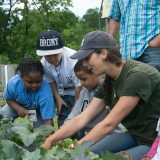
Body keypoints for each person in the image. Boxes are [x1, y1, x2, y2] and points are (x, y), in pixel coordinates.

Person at [41, 31, 160, 160]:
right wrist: (50, 140)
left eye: (87, 58)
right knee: (87, 154)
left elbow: (109, 124)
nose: (85, 64)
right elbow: (82, 118)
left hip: (154, 141)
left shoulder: (136, 75)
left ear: (104, 53)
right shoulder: (110, 80)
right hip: (135, 135)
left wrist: (75, 148)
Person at [65, 59, 123, 139]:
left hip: (109, 134)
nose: (81, 83)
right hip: (87, 133)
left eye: (84, 79)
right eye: (79, 80)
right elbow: (74, 115)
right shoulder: (84, 92)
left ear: (95, 73)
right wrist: (62, 131)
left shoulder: (108, 90)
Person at [36, 30, 81, 127]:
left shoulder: (73, 60)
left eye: (55, 55)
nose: (52, 59)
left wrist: (76, 106)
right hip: (62, 92)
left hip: (78, 91)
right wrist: (58, 98)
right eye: (48, 56)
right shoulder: (43, 64)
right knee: (62, 122)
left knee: (76, 118)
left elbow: (79, 85)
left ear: (61, 50)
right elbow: (50, 81)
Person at [0, 59, 56, 127]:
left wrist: (48, 133)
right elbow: (9, 99)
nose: (34, 85)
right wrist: (18, 108)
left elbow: (48, 120)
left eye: (38, 82)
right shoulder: (13, 83)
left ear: (42, 77)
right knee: (2, 117)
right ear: (21, 77)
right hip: (18, 104)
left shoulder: (46, 92)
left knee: (42, 130)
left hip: (39, 109)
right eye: (30, 82)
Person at [107, 0, 160, 71]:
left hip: (152, 50)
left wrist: (157, 41)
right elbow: (115, 17)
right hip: (126, 54)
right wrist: (110, 41)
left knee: (153, 81)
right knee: (131, 81)